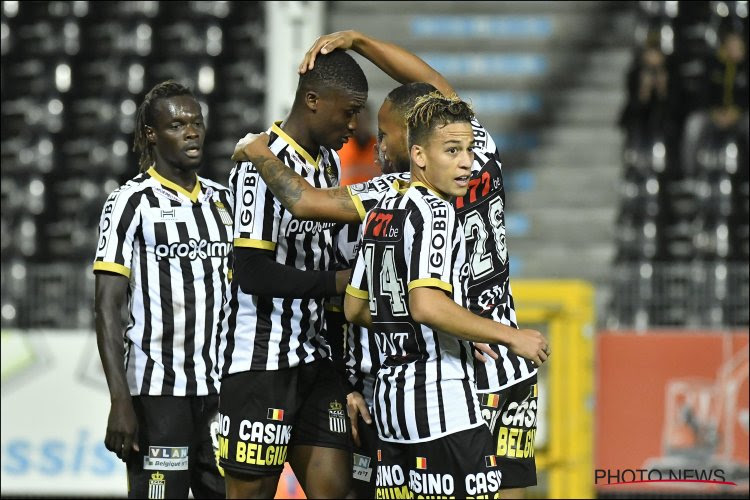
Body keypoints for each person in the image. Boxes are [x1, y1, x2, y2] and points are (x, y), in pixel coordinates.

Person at [233, 30, 549, 497]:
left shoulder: (396, 193)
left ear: (416, 144)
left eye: (386, 135)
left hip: (454, 375)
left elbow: (303, 201)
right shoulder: (476, 154)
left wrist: (256, 149)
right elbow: (434, 82)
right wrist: (360, 42)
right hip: (509, 367)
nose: (377, 146)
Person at [344, 92, 546, 498]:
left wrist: (437, 327)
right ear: (419, 155)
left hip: (391, 406)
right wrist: (506, 335)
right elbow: (427, 304)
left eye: (469, 150)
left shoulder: (381, 209)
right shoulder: (437, 213)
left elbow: (355, 307)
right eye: (452, 151)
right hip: (443, 404)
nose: (467, 161)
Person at [216, 49, 368, 499]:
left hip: (315, 360)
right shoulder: (258, 165)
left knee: (335, 491)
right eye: (349, 112)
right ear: (314, 100)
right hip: (261, 361)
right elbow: (251, 271)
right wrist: (335, 284)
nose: (354, 126)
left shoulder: (327, 163)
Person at [93, 80, 230, 499]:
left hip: (222, 394)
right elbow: (106, 307)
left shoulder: (225, 203)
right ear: (151, 135)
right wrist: (120, 399)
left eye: (196, 122)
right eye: (177, 124)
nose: (191, 131)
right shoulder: (129, 202)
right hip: (157, 394)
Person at [337, 104, 380, 185]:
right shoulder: (340, 147)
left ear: (370, 119)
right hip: (345, 195)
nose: (361, 124)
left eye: (364, 120)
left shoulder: (380, 148)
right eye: (358, 120)